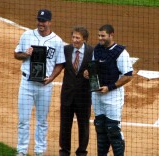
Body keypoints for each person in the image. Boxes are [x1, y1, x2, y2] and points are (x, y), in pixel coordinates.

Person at [14, 9, 65, 156]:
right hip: (26, 84)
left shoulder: (57, 41)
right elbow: (16, 54)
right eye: (39, 20)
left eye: (43, 21)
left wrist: (51, 78)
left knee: (42, 120)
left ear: (49, 22)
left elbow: (60, 64)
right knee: (23, 119)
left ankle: (39, 151)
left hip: (44, 86)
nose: (40, 23)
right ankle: (21, 150)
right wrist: (25, 54)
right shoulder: (27, 35)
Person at [83, 24, 133, 156]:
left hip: (113, 95)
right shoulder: (97, 49)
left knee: (113, 128)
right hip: (97, 94)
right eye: (99, 35)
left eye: (103, 36)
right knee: (100, 126)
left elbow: (128, 75)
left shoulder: (120, 52)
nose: (100, 38)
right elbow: (94, 67)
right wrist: (88, 73)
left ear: (111, 35)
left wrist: (109, 87)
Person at [59, 26, 93, 156]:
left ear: (84, 39)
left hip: (84, 96)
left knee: (83, 125)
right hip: (67, 94)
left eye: (77, 37)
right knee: (65, 124)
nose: (74, 40)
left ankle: (82, 151)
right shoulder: (66, 50)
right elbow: (58, 65)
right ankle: (64, 151)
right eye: (73, 37)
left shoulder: (92, 51)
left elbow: (97, 69)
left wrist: (91, 72)